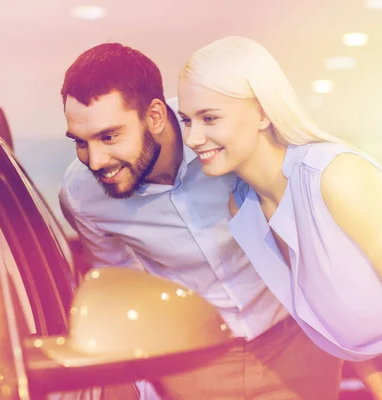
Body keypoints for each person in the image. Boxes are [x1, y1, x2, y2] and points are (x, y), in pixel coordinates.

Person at [58, 42, 342, 399]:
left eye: (109, 136)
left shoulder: (222, 134)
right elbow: (120, 285)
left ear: (156, 116)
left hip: (298, 340)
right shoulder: (81, 194)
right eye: (80, 142)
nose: (96, 160)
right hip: (193, 364)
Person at [177, 35, 382, 400]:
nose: (193, 138)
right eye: (187, 120)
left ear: (261, 112)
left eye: (209, 118)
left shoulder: (336, 177)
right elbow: (333, 325)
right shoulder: (242, 209)